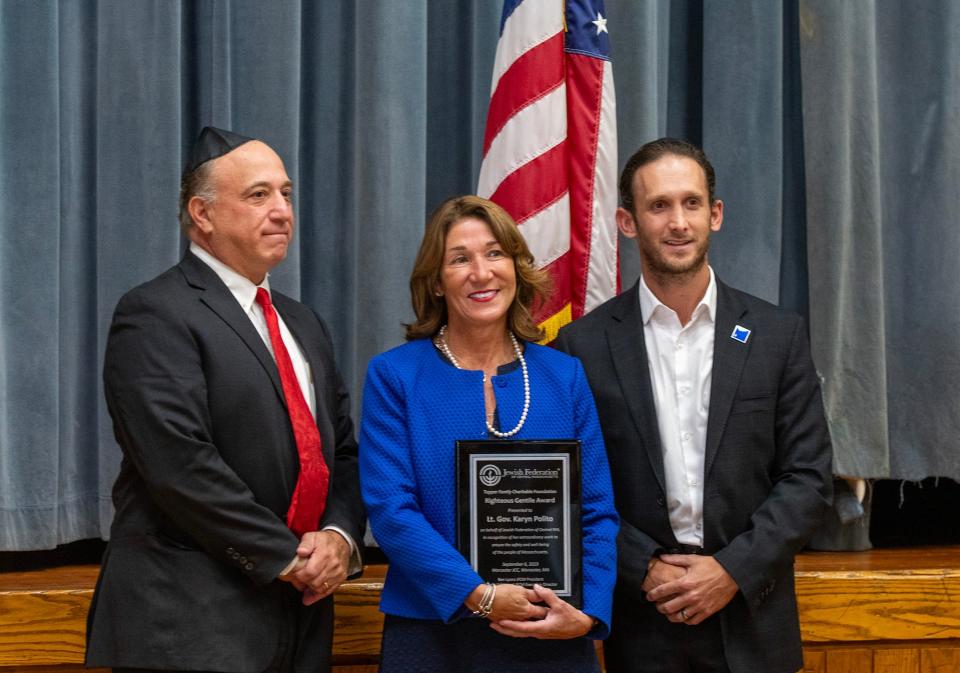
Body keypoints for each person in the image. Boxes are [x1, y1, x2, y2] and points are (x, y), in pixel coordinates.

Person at [85, 127, 366, 673]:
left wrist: (338, 536)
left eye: (286, 194)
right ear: (203, 214)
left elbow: (342, 454)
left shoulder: (303, 322)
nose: (282, 210)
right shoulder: (155, 312)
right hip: (190, 624)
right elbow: (179, 465)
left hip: (301, 618)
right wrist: (286, 557)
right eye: (258, 195)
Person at [555, 138, 833, 673]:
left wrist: (731, 570)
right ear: (627, 221)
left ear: (716, 214)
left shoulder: (777, 336)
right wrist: (644, 568)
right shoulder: (580, 347)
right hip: (642, 621)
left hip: (754, 620)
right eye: (658, 205)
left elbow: (809, 477)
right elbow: (570, 488)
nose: (678, 222)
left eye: (691, 203)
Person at [359, 195, 619, 673]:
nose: (481, 272)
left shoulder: (564, 377)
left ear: (517, 267)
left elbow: (598, 511)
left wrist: (586, 613)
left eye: (495, 253)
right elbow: (392, 511)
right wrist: (479, 596)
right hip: (434, 636)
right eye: (460, 259)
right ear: (436, 281)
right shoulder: (395, 376)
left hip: (552, 631)